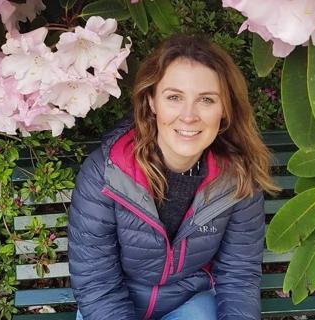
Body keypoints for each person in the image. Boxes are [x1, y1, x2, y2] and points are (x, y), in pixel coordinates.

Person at [68, 34, 279, 320]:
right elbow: (96, 282)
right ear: (152, 101)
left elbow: (238, 276)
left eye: (206, 99)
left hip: (189, 304)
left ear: (225, 109)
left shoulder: (238, 181)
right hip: (112, 305)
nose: (189, 116)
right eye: (174, 97)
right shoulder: (106, 173)